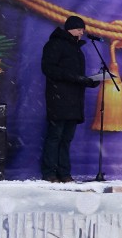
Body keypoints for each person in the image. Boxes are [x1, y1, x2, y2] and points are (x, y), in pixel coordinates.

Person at [40, 15, 100, 183]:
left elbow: (75, 76)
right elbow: (48, 68)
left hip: (74, 100)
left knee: (66, 139)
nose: (82, 33)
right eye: (79, 29)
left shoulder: (77, 49)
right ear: (70, 29)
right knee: (55, 137)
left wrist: (89, 81)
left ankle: (64, 172)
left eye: (83, 30)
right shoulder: (55, 44)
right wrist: (76, 78)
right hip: (58, 99)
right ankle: (49, 173)